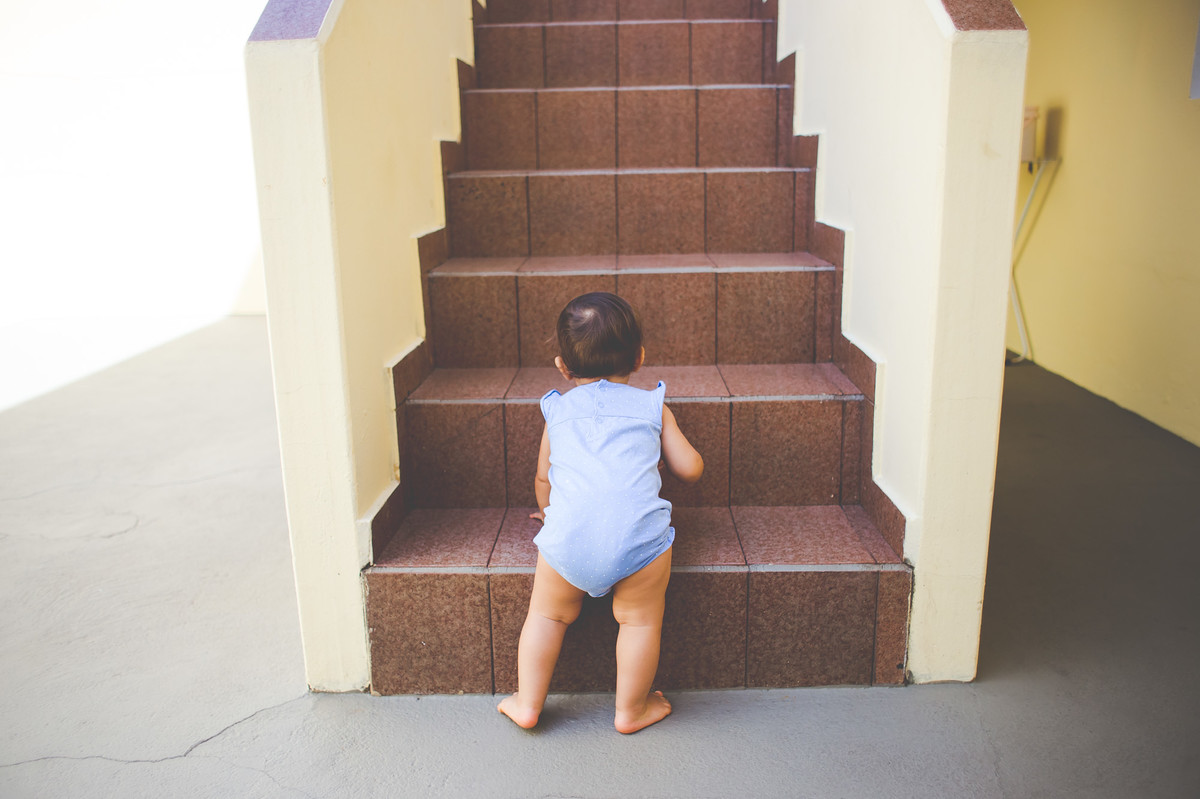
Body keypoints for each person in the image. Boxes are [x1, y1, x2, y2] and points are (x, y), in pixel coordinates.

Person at [498, 292, 704, 734]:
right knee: (640, 620)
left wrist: (551, 514)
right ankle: (631, 710)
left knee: (546, 616)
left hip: (567, 541)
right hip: (640, 544)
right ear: (640, 356)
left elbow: (543, 479)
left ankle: (527, 703)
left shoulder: (557, 411)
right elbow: (690, 468)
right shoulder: (653, 406)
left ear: (562, 366)